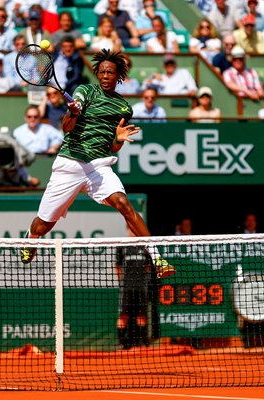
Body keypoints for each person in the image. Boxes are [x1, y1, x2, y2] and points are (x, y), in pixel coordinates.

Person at [19, 49, 175, 279]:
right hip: (69, 164)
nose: (104, 76)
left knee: (124, 203)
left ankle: (156, 257)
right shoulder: (85, 91)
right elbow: (66, 128)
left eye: (109, 72)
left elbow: (112, 147)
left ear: (118, 75)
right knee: (43, 226)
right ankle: (31, 238)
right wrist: (73, 112)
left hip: (98, 167)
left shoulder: (123, 108)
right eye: (101, 72)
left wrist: (117, 139)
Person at [115, 244, 152, 349]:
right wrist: (122, 282)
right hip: (126, 287)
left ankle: (142, 342)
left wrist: (144, 280)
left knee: (142, 315)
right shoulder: (122, 247)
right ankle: (122, 343)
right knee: (123, 315)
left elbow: (148, 267)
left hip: (141, 287)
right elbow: (117, 266)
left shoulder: (146, 247)